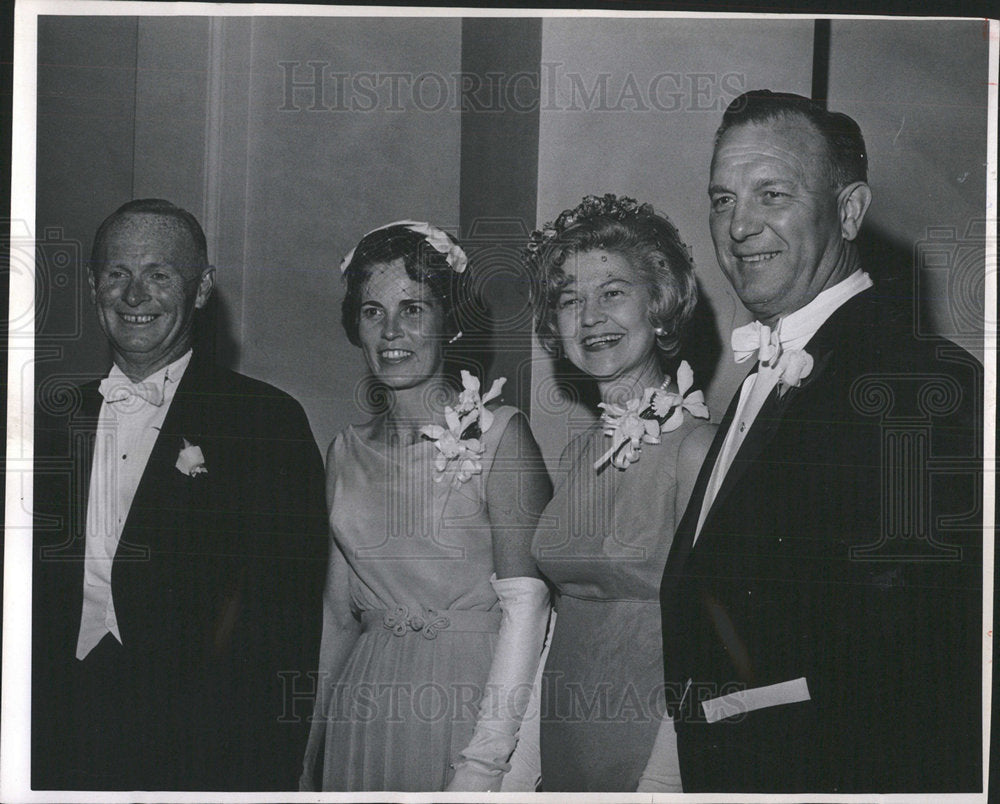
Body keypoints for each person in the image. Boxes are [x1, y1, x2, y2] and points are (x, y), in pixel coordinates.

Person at [659, 90, 982, 792]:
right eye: (721, 200)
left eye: (771, 193)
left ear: (850, 210)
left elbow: (925, 665)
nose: (739, 226)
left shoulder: (921, 381)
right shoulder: (760, 374)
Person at [31, 199, 329, 790]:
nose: (134, 295)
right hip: (57, 738)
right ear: (94, 286)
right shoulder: (46, 422)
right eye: (117, 273)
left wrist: (266, 773)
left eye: (160, 274)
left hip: (201, 747)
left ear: (200, 290)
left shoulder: (264, 421)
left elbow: (285, 627)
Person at [300, 221, 552, 792]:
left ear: (450, 321)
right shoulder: (343, 451)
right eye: (372, 311)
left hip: (469, 706)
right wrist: (309, 757)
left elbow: (529, 618)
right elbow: (338, 620)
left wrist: (486, 764)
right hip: (363, 708)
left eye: (413, 308)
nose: (392, 331)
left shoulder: (502, 436)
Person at [525, 194, 715, 791]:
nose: (589, 319)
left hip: (650, 755)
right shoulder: (580, 451)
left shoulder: (698, 448)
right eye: (569, 300)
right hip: (560, 743)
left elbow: (710, 645)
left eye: (612, 292)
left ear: (659, 307)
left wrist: (661, 781)